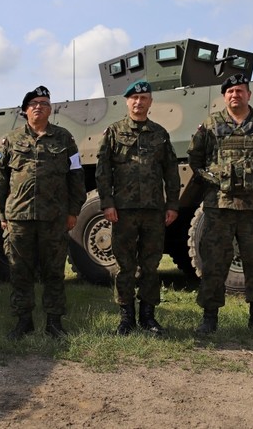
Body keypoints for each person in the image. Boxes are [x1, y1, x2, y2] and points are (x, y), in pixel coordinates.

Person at [187, 73, 253, 341]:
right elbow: (195, 160)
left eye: (240, 91)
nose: (235, 95)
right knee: (214, 263)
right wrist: (214, 178)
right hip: (219, 206)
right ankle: (209, 319)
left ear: (249, 95)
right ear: (224, 96)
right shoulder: (210, 125)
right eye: (230, 91)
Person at [0, 85, 87, 339]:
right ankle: (24, 322)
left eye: (44, 103)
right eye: (33, 103)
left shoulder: (64, 138)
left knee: (54, 272)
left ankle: (54, 323)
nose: (39, 106)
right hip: (19, 219)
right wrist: (2, 215)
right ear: (25, 110)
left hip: (54, 218)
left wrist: (73, 211)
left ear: (50, 109)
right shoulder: (11, 140)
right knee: (20, 272)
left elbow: (76, 176)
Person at [95, 80, 180, 336]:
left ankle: (148, 317)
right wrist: (107, 203)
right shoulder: (114, 132)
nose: (138, 102)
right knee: (125, 266)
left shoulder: (160, 134)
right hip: (123, 211)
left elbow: (171, 172)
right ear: (127, 101)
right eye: (134, 98)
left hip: (154, 210)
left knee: (151, 265)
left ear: (150, 102)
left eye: (143, 98)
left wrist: (173, 204)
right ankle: (126, 317)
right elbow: (102, 171)